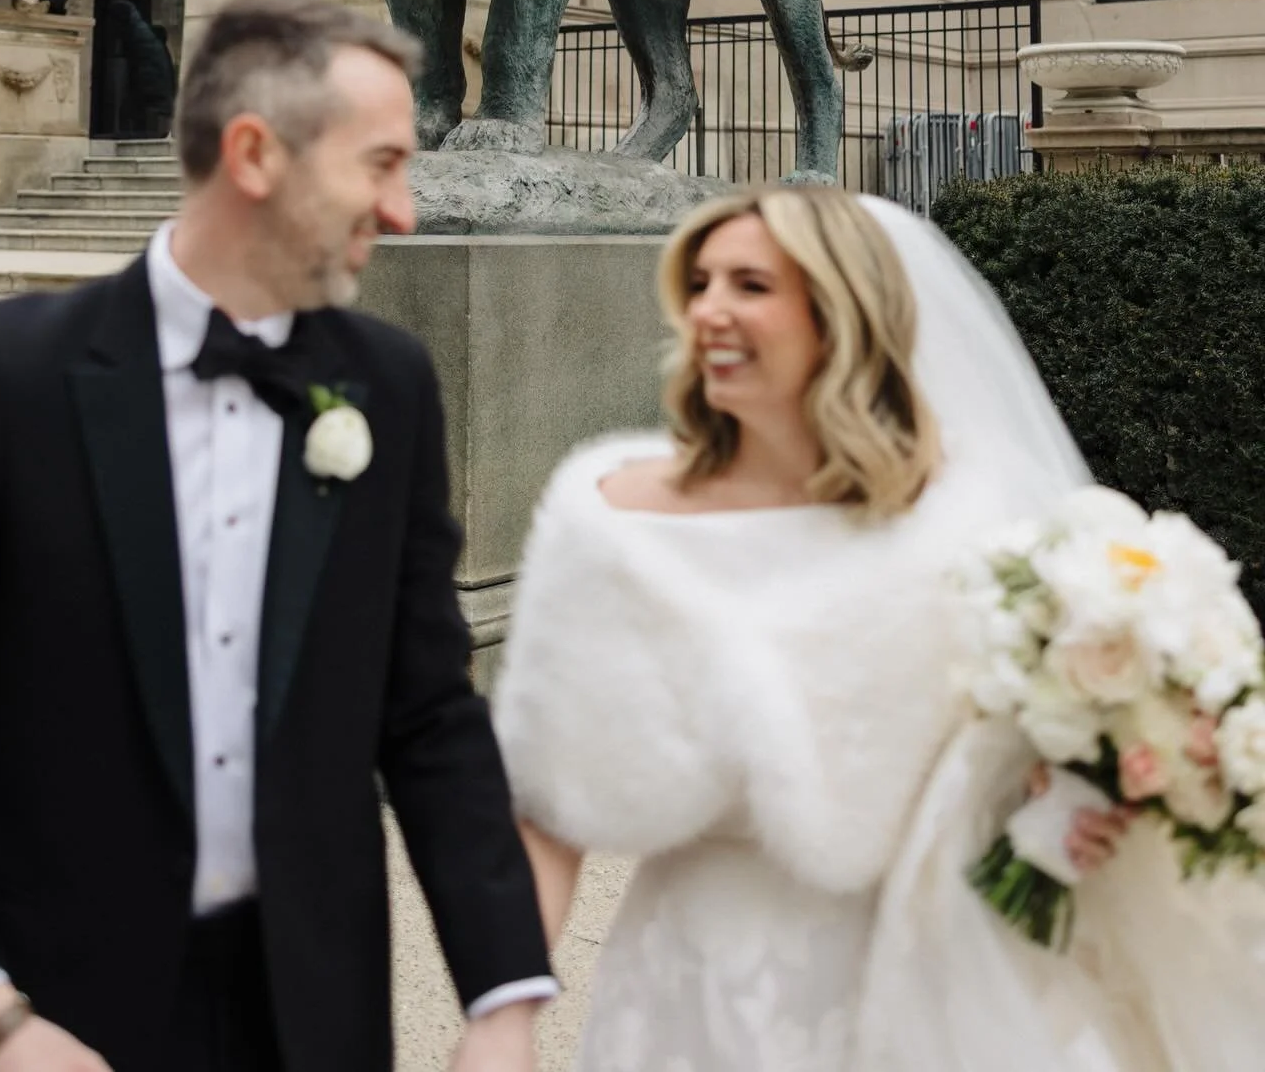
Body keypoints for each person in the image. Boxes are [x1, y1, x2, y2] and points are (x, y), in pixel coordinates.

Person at [0, 0, 554, 1072]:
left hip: (303, 1016)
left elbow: (431, 713)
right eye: (382, 162)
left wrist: (504, 996)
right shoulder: (8, 381)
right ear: (255, 153)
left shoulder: (387, 387)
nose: (402, 209)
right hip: (39, 1011)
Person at [493, 186, 1265, 1071]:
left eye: (751, 285)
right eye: (700, 282)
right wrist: (503, 1017)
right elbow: (546, 811)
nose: (708, 309)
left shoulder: (973, 518)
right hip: (698, 983)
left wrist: (1065, 813)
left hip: (925, 979)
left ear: (842, 314)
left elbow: (1009, 766)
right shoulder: (609, 522)